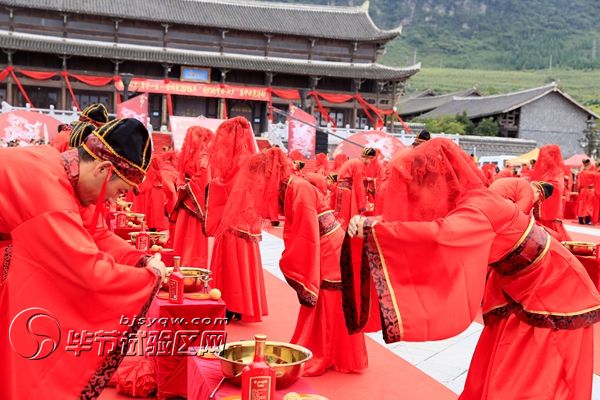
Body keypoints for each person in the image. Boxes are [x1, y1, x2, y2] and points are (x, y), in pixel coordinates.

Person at [346, 138, 600, 399]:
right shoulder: (471, 201)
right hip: (520, 286)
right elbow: (427, 223)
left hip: (552, 289)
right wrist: (376, 223)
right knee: (502, 364)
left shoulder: (477, 208)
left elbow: (439, 235)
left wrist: (373, 230)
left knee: (529, 381)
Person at [0, 118, 167, 399]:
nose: (114, 202)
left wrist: (142, 260)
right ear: (103, 168)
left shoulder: (65, 170)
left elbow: (97, 234)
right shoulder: (49, 195)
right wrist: (150, 279)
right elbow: (87, 270)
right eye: (119, 192)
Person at [221, 147, 367, 376]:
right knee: (326, 300)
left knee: (327, 297)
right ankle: (329, 352)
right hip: (325, 242)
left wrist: (291, 261)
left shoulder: (297, 188)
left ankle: (324, 354)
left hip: (329, 246)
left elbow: (305, 234)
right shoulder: (289, 186)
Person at [205, 116, 266, 322]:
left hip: (234, 221)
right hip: (245, 221)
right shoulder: (249, 157)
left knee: (230, 263)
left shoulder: (241, 160)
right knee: (241, 263)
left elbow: (231, 189)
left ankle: (231, 304)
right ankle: (238, 305)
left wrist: (215, 185)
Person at [170, 126, 213, 267]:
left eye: (193, 136)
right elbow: (181, 176)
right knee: (183, 236)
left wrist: (186, 187)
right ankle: (180, 265)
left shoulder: (203, 156)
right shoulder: (191, 155)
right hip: (186, 200)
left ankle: (193, 268)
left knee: (193, 237)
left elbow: (204, 177)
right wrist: (182, 184)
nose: (189, 140)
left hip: (194, 203)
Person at [529, 145, 571, 240]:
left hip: (549, 210)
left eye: (546, 157)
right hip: (539, 206)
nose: (544, 160)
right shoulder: (544, 172)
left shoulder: (557, 172)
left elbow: (557, 188)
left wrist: (540, 187)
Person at [576, 159, 596, 225]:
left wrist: (579, 190)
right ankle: (587, 220)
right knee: (589, 205)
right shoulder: (593, 171)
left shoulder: (581, 172)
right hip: (590, 190)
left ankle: (581, 219)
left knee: (582, 204)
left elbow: (578, 183)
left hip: (583, 190)